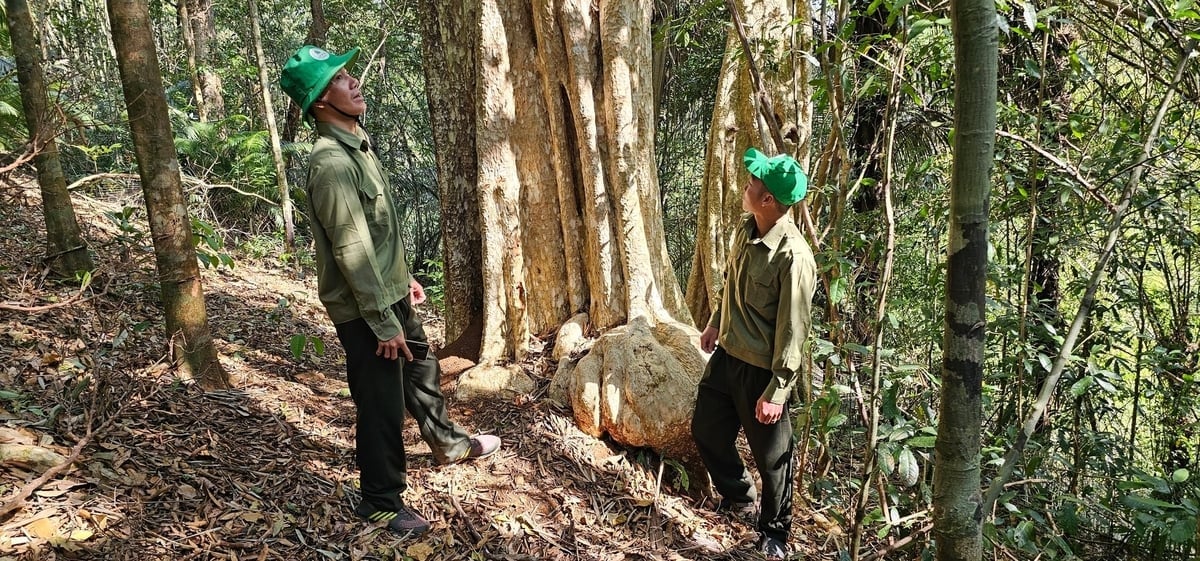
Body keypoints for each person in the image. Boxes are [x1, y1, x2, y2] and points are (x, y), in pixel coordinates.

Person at [279, 45, 500, 539]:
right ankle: (379, 501)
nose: (354, 83)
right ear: (319, 101)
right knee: (380, 403)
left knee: (421, 368)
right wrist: (383, 321)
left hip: (389, 293)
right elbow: (350, 248)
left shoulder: (358, 145)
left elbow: (376, 233)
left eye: (350, 74)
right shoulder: (331, 163)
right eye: (339, 79)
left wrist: (402, 280)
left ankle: (446, 442)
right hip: (365, 312)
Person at [691, 147, 816, 560]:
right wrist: (713, 322)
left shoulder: (794, 257)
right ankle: (738, 495)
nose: (746, 185)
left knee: (774, 461)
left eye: (753, 182)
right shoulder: (746, 229)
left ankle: (775, 531)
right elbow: (730, 283)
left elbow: (793, 331)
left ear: (768, 200)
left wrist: (778, 391)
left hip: (763, 372)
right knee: (706, 430)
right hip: (728, 356)